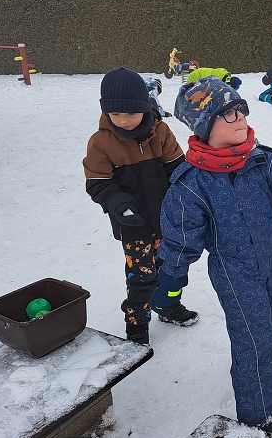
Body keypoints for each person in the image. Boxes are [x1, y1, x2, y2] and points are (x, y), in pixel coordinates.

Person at [151, 76, 272, 434]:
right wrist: (171, 283)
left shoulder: (262, 162)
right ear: (204, 126)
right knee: (251, 338)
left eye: (241, 109)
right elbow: (181, 238)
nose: (241, 117)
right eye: (228, 114)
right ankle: (262, 412)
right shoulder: (190, 185)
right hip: (235, 271)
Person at [83, 67, 196, 345]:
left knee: (171, 270)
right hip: (134, 226)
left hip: (168, 220)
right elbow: (98, 183)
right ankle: (136, 323)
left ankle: (167, 306)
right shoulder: (101, 142)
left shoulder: (161, 132)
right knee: (141, 279)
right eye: (115, 113)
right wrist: (117, 202)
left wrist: (190, 196)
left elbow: (178, 170)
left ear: (144, 107)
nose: (123, 120)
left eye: (131, 113)